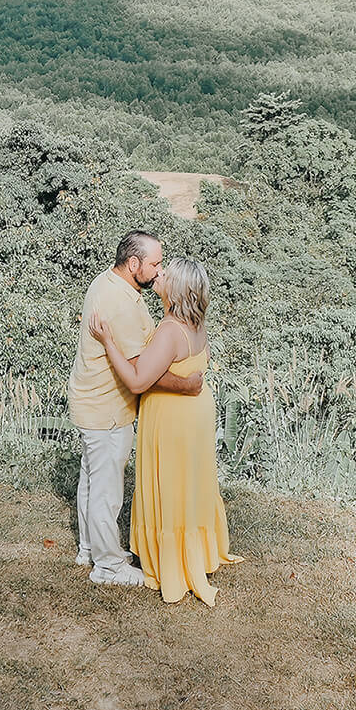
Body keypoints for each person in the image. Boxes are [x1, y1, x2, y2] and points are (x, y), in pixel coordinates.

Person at [91, 255, 239, 605]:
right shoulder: (195, 322)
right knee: (190, 483)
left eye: (167, 273)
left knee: (171, 484)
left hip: (174, 419)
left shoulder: (172, 329)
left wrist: (107, 340)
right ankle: (196, 550)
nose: (160, 274)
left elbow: (139, 381)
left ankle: (171, 559)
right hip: (195, 413)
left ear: (178, 289)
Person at [67, 230, 203, 586]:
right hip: (107, 408)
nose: (159, 272)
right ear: (133, 264)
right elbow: (143, 375)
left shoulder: (115, 284)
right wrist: (187, 385)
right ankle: (108, 566)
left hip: (92, 403)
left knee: (93, 479)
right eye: (155, 264)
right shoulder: (120, 305)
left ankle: (89, 548)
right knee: (107, 490)